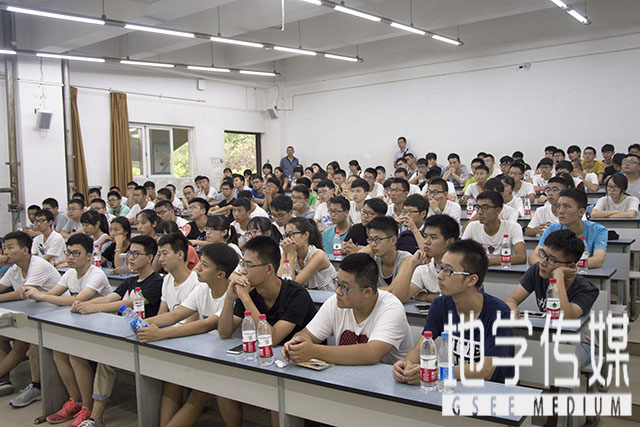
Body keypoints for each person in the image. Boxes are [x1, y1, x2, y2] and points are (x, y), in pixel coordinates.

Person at [134, 243, 239, 427]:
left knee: (201, 393)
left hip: (229, 359)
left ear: (220, 274)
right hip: (206, 352)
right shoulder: (202, 288)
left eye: (204, 265)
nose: (197, 268)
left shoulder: (232, 295)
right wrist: (145, 323)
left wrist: (160, 334)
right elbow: (176, 315)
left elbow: (205, 325)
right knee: (173, 379)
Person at [217, 236, 316, 427]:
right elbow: (224, 332)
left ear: (269, 268)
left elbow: (272, 338)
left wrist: (245, 298)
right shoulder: (251, 292)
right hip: (266, 362)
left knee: (276, 399)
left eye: (249, 265)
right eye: (243, 264)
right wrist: (229, 299)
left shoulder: (296, 295)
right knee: (224, 387)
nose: (243, 271)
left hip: (298, 367)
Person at [68, 235, 163, 427]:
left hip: (146, 339)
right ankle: (88, 411)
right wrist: (83, 303)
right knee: (79, 353)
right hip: (123, 335)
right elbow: (110, 298)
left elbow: (127, 304)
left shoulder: (156, 282)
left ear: (150, 257)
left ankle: (95, 417)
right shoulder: (130, 281)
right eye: (130, 253)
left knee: (107, 358)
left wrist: (93, 308)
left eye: (136, 254)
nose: (131, 258)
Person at [393, 239, 515, 386]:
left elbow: (487, 369)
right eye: (441, 268)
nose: (439, 275)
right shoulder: (440, 305)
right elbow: (421, 346)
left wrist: (436, 373)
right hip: (454, 386)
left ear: (471, 280)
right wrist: (406, 366)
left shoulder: (499, 313)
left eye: (448, 271)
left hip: (491, 391)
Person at [22, 234, 112, 426]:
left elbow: (77, 300)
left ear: (89, 256)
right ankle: (75, 400)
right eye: (68, 253)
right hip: (80, 326)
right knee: (58, 351)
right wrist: (33, 293)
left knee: (75, 355)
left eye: (76, 253)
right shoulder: (70, 273)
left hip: (103, 330)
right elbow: (52, 294)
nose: (70, 257)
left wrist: (42, 296)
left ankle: (87, 407)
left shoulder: (96, 274)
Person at [283, 253, 414, 365]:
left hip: (389, 381)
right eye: (337, 283)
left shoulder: (391, 308)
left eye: (345, 287)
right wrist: (297, 344)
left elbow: (372, 354)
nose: (338, 291)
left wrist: (314, 351)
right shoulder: (336, 302)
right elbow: (307, 334)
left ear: (367, 292)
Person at [0, 232, 60, 402]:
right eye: (5, 248)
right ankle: (4, 381)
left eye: (10, 247)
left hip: (54, 315)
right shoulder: (15, 269)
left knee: (24, 343)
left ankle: (36, 387)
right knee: (1, 334)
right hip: (32, 315)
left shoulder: (38, 265)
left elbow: (23, 293)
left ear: (25, 250)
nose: (6, 252)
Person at [505, 229, 599, 320]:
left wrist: (558, 276)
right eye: (543, 254)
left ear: (570, 266)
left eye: (552, 259)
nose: (542, 262)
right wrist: (512, 308)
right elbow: (511, 299)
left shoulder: (587, 290)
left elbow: (564, 317)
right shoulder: (537, 270)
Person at [529, 189, 608, 268]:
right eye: (558, 206)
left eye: (566, 206)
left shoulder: (598, 230)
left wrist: (562, 266)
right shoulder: (552, 229)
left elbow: (598, 260)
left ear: (581, 212)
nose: (560, 211)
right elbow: (533, 257)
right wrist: (551, 266)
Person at [389, 214, 460, 303]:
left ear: (450, 242)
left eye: (433, 237)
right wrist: (412, 264)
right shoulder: (424, 265)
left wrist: (426, 297)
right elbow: (400, 298)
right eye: (425, 236)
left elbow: (459, 298)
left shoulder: (461, 266)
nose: (426, 242)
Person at [461, 191, 526, 265]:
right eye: (478, 207)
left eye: (484, 208)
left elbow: (521, 257)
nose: (479, 212)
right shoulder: (472, 226)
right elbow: (460, 253)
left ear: (498, 210)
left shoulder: (513, 227)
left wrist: (484, 261)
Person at [279, 217, 337, 291]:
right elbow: (280, 282)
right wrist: (284, 253)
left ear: (306, 235)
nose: (288, 239)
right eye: (286, 235)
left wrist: (290, 254)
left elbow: (292, 285)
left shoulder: (319, 255)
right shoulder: (294, 254)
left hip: (327, 295)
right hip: (309, 294)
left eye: (291, 234)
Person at [363, 216, 413, 288]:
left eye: (377, 239)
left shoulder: (406, 259)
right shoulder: (373, 259)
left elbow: (395, 290)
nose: (373, 244)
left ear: (393, 240)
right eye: (371, 239)